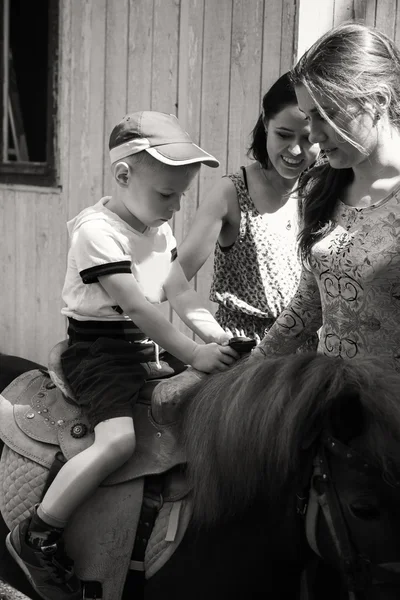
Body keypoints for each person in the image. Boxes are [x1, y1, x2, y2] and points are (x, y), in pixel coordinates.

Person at [6, 111, 239, 600]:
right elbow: (135, 303)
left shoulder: (158, 230)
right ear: (123, 175)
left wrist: (216, 337)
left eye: (180, 195)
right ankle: (40, 532)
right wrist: (193, 351)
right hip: (99, 352)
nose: (175, 207)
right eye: (166, 194)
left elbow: (177, 292)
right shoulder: (97, 232)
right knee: (117, 442)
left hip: (144, 346)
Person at [250, 22, 400, 372]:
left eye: (326, 114)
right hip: (334, 403)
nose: (314, 136)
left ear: (377, 100)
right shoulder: (320, 186)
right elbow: (309, 301)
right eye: (308, 117)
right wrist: (245, 372)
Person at [178, 72, 320, 342]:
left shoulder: (318, 192)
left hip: (301, 354)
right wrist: (215, 340)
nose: (296, 150)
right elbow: (174, 279)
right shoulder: (231, 192)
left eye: (308, 139)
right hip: (243, 353)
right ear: (266, 122)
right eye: (284, 135)